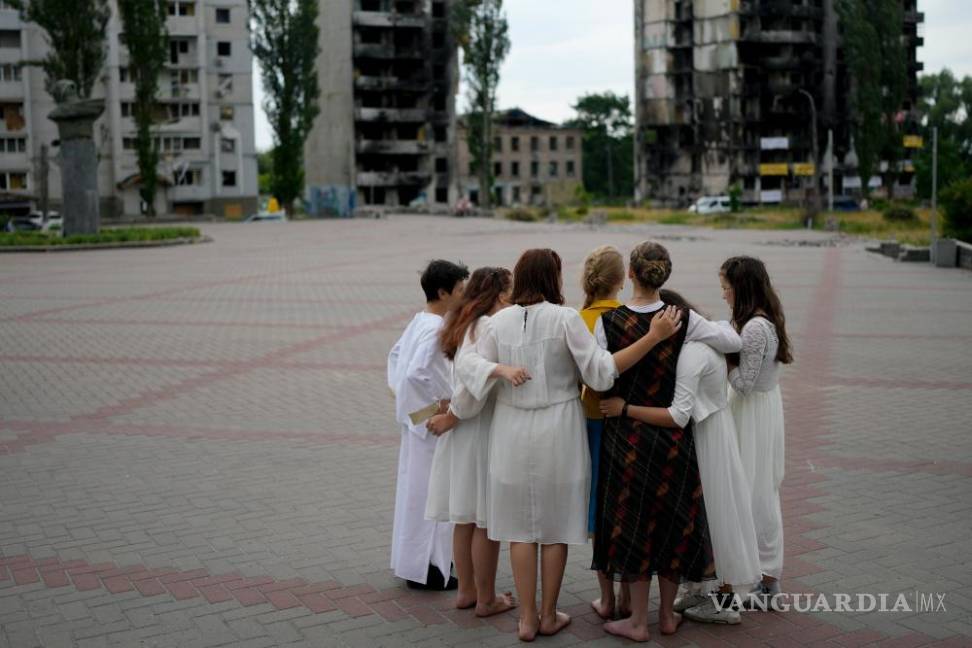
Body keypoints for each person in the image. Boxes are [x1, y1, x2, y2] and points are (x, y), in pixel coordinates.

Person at [457, 248, 683, 642]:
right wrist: (652, 338)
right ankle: (547, 615)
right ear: (555, 278)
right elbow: (600, 373)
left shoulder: (497, 323)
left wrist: (498, 369)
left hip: (511, 428)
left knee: (520, 531)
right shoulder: (567, 320)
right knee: (556, 526)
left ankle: (526, 619)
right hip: (558, 426)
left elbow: (466, 364)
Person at [591, 241, 742, 643]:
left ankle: (637, 620)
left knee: (633, 525)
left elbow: (600, 378)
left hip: (627, 439)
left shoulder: (609, 322)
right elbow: (734, 343)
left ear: (630, 275)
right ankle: (667, 618)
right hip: (674, 439)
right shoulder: (683, 318)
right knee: (675, 522)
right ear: (664, 275)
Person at [424, 267, 520, 617]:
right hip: (477, 427)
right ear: (497, 295)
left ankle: (466, 591)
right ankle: (486, 598)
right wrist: (455, 415)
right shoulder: (488, 325)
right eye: (509, 292)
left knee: (464, 518)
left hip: (464, 430)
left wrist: (454, 416)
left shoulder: (464, 323)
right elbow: (472, 376)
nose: (513, 298)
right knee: (484, 519)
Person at [387, 259, 469, 590]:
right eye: (460, 290)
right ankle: (430, 570)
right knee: (433, 496)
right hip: (432, 426)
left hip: (418, 424)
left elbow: (394, 359)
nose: (464, 296)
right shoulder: (435, 329)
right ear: (443, 292)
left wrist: (408, 408)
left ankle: (418, 565)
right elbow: (412, 373)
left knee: (416, 494)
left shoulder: (421, 320)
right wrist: (437, 406)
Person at [720, 256, 793, 604]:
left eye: (726, 287)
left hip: (749, 412)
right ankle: (766, 574)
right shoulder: (765, 318)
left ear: (741, 287)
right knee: (761, 490)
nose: (723, 294)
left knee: (748, 491)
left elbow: (744, 383)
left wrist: (720, 360)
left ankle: (754, 577)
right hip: (764, 409)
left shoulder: (753, 328)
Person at [577, 245, 630, 621]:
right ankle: (630, 594)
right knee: (626, 504)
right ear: (622, 280)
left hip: (591, 418)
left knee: (599, 505)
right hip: (629, 420)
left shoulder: (578, 318)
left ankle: (606, 596)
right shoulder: (631, 317)